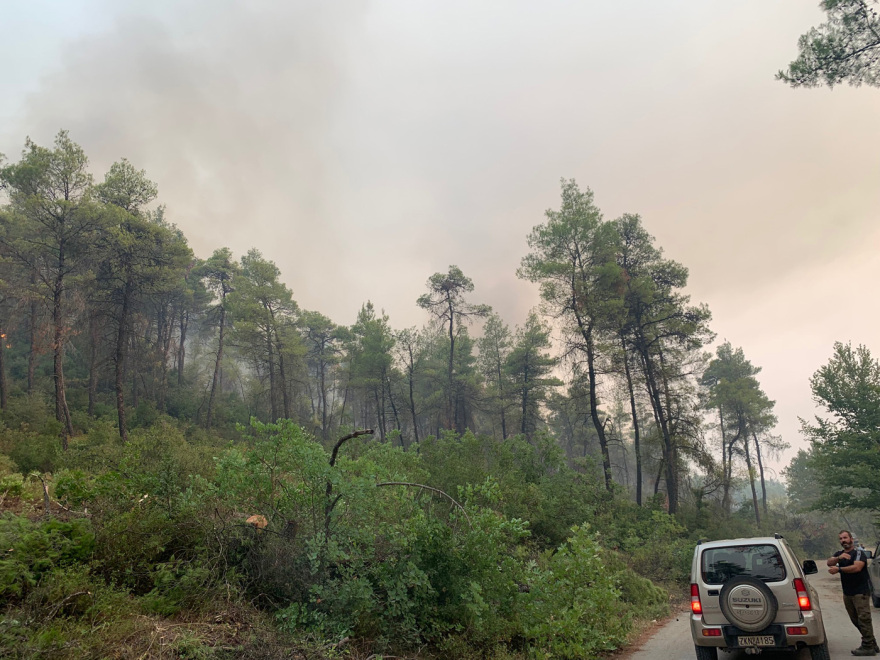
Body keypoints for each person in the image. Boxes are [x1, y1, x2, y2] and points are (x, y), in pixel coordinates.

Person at [828, 530, 878, 656]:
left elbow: (857, 567)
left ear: (851, 539)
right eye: (840, 538)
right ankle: (872, 642)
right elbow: (829, 562)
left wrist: (839, 569)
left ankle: (867, 646)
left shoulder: (859, 553)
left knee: (864, 619)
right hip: (848, 592)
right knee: (855, 619)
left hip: (860, 591)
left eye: (845, 538)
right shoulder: (839, 554)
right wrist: (839, 558)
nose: (843, 540)